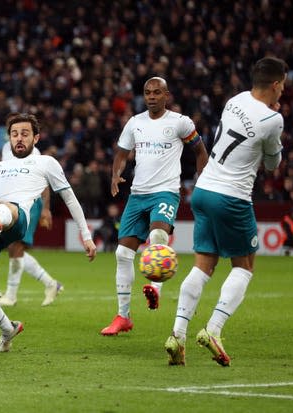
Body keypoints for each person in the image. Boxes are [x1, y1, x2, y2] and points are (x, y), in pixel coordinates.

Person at [164, 57, 287, 367]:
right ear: (275, 84)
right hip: (232, 197)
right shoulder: (274, 119)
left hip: (203, 190)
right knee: (244, 266)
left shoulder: (235, 100)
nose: (283, 90)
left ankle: (177, 336)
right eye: (283, 85)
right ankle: (214, 329)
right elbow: (272, 164)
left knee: (203, 264)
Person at [0, 113, 96, 352]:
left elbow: (70, 199)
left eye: (25, 134)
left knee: (5, 207)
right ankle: (7, 327)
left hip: (17, 217)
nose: (19, 139)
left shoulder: (46, 163)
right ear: (9, 138)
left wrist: (86, 235)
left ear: (36, 137)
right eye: (14, 134)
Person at [101, 76, 208, 336]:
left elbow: (201, 152)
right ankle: (123, 317)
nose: (151, 96)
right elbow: (121, 153)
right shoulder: (135, 123)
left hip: (166, 192)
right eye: (148, 92)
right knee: (122, 254)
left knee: (158, 235)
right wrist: (116, 174)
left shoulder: (180, 123)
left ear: (166, 95)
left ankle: (155, 288)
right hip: (138, 194)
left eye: (157, 92)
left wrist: (201, 182)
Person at [0, 140, 64, 307]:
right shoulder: (5, 148)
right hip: (11, 202)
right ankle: (51, 284)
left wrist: (46, 209)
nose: (17, 135)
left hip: (30, 202)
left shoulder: (34, 152)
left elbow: (43, 180)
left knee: (16, 247)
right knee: (14, 248)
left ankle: (11, 296)